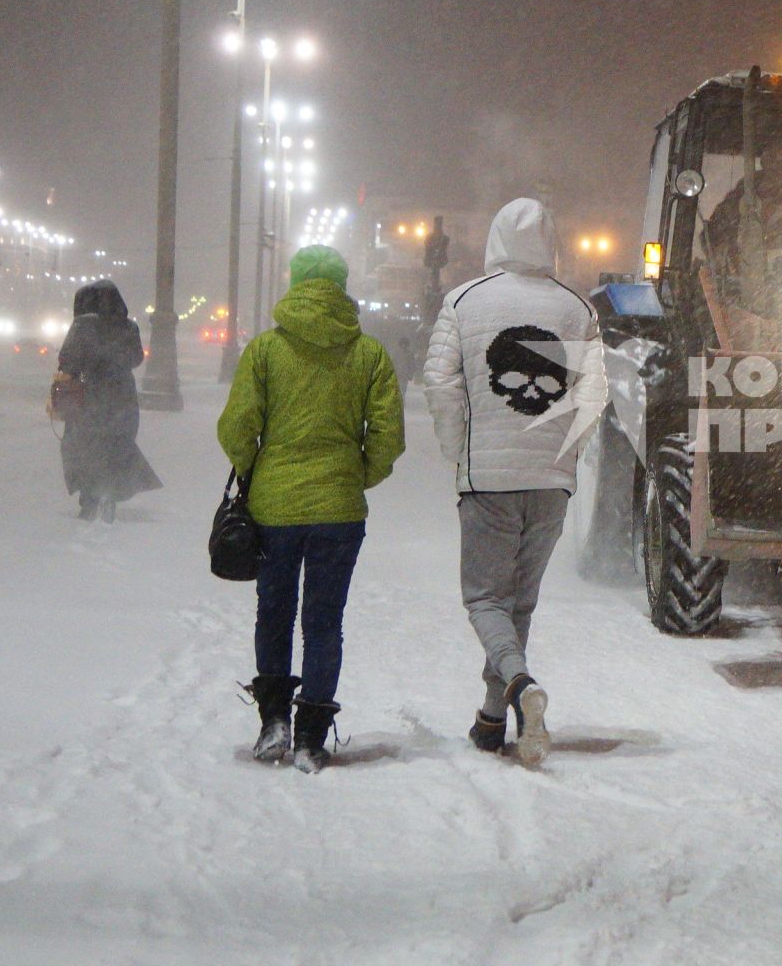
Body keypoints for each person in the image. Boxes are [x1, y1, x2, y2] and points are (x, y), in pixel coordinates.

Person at [423, 197, 607, 766]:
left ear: (496, 239)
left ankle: (522, 686)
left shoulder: (464, 300)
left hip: (489, 481)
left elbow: (441, 385)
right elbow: (594, 394)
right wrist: (563, 457)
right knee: (518, 603)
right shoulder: (578, 310)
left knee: (484, 599)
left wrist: (462, 455)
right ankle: (492, 717)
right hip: (551, 485)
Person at [218, 246, 406, 773]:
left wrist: (258, 471)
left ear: (295, 283)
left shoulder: (265, 351)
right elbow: (389, 436)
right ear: (342, 286)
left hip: (274, 509)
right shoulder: (368, 354)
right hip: (340, 512)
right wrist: (357, 474)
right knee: (324, 622)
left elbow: (236, 428)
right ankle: (311, 739)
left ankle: (273, 720)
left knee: (274, 613)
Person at [57, 279, 162, 521]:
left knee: (84, 446)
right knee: (116, 445)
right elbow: (136, 358)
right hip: (121, 397)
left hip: (88, 397)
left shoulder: (82, 326)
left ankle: (89, 499)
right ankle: (110, 493)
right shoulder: (128, 327)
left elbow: (67, 360)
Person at [704, 148, 782, 266]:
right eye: (772, 159)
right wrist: (726, 253)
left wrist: (781, 241)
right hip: (743, 271)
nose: (776, 167)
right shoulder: (742, 193)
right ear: (764, 163)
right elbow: (713, 232)